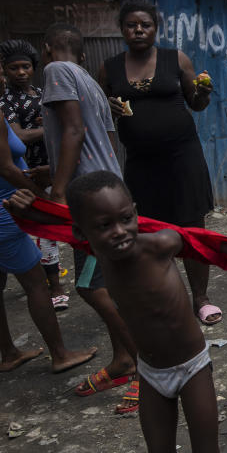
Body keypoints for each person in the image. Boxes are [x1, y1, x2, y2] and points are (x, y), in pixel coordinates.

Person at [4, 172, 227, 453]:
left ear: (136, 212)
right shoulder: (96, 250)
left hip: (192, 368)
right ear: (82, 232)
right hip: (151, 373)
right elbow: (53, 224)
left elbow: (194, 241)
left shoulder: (157, 244)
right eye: (104, 225)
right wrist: (29, 209)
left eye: (126, 218)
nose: (119, 232)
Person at [99, 0, 221, 326]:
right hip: (141, 162)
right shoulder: (109, 68)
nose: (138, 30)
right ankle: (170, 297)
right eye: (131, 25)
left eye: (145, 25)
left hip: (182, 157)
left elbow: (195, 103)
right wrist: (106, 108)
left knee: (192, 226)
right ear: (122, 29)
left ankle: (201, 298)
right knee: (151, 232)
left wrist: (204, 93)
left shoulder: (174, 58)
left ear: (156, 28)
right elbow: (98, 110)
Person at [39, 23, 140, 411]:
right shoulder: (92, 84)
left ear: (48, 49)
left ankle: (145, 366)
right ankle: (122, 360)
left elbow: (74, 132)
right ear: (83, 54)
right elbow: (103, 141)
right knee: (108, 283)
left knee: (88, 285)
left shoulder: (56, 72)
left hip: (88, 200)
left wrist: (60, 191)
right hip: (106, 188)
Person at [0, 49, 96, 373]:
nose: (3, 80)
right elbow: (6, 168)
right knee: (35, 282)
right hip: (0, 210)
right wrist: (42, 197)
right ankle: (60, 354)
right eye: (0, 74)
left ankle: (9, 353)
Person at [0, 39, 64, 307]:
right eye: (13, 68)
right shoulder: (4, 101)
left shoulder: (40, 93)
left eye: (25, 67)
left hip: (52, 168)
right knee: (43, 230)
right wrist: (49, 128)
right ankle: (55, 286)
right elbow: (19, 136)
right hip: (29, 171)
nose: (21, 72)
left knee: (53, 226)